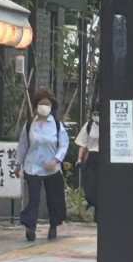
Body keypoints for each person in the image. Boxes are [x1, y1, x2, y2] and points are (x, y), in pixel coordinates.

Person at [15, 88, 69, 242]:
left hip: (52, 168)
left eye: (47, 104)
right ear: (36, 105)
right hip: (33, 167)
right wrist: (18, 163)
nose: (44, 107)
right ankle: (30, 226)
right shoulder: (30, 124)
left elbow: (64, 145)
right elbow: (23, 145)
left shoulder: (57, 126)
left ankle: (53, 225)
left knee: (53, 199)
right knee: (34, 198)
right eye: (41, 104)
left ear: (52, 106)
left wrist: (56, 160)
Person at [74, 110, 101, 218]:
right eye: (95, 113)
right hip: (91, 156)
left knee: (101, 184)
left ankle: (99, 211)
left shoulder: (109, 124)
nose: (97, 116)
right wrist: (79, 159)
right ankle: (92, 204)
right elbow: (82, 143)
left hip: (103, 157)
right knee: (89, 182)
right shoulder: (89, 125)